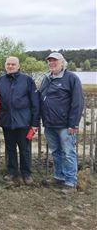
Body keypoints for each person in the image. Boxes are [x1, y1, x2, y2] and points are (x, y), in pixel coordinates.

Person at [39, 52, 84, 194]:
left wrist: (73, 124)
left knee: (68, 153)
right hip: (49, 124)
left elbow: (77, 103)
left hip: (65, 125)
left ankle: (71, 182)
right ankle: (59, 177)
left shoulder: (71, 78)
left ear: (62, 63)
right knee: (56, 152)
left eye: (55, 61)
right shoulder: (47, 79)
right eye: (50, 61)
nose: (52, 63)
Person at [0, 56, 40, 185]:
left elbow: (35, 103)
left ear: (18, 66)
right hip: (7, 121)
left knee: (24, 149)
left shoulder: (27, 80)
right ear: (5, 66)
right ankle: (12, 171)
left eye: (13, 64)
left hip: (23, 121)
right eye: (8, 64)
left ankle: (26, 173)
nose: (10, 66)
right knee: (10, 148)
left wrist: (35, 123)